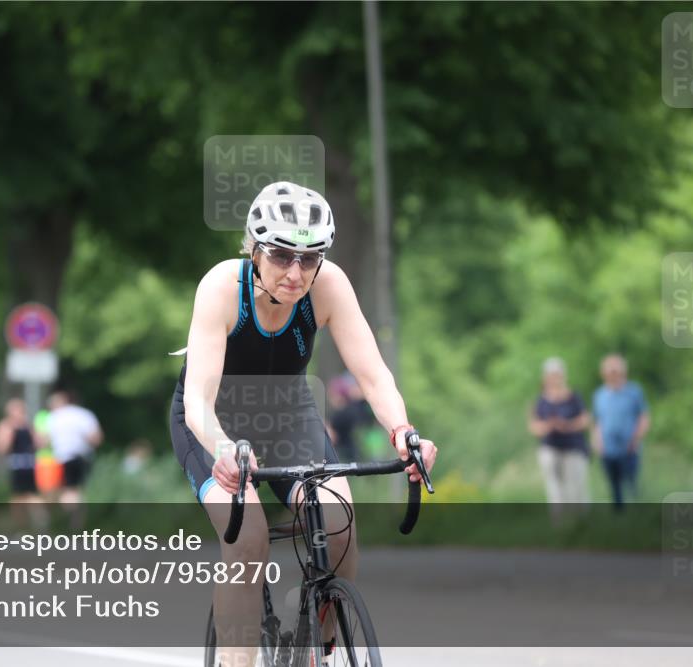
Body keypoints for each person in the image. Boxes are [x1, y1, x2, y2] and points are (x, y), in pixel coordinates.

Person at [169, 181, 437, 666]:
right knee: (248, 540)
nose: (295, 273)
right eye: (280, 255)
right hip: (213, 422)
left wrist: (402, 431)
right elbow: (198, 402)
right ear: (254, 249)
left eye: (310, 258)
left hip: (288, 415)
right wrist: (223, 448)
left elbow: (373, 375)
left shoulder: (329, 285)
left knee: (340, 528)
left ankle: (319, 650)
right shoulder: (222, 287)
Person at [528, 358, 590, 518]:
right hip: (550, 448)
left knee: (575, 487)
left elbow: (585, 420)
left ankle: (580, 520)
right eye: (551, 375)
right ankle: (560, 521)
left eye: (557, 375)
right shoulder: (540, 400)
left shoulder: (574, 397)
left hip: (573, 447)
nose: (554, 378)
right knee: (555, 489)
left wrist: (568, 425)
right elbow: (534, 426)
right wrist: (549, 426)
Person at [592, 354, 650, 509]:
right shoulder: (600, 395)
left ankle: (636, 509)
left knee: (631, 482)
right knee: (614, 485)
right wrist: (597, 441)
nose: (613, 375)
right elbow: (597, 421)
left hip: (630, 446)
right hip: (608, 448)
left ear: (623, 372)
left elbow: (643, 417)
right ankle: (619, 515)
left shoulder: (634, 392)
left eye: (616, 371)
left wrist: (637, 438)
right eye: (610, 371)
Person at [46, 390, 103, 528]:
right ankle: (77, 523)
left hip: (63, 458)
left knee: (66, 491)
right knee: (78, 490)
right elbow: (96, 438)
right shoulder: (84, 414)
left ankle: (70, 522)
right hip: (84, 457)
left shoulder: (54, 417)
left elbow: (44, 440)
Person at [0, 399, 42, 505]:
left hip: (30, 464)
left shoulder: (27, 426)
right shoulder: (5, 426)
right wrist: (11, 434)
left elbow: (38, 444)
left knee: (31, 494)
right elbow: (1, 448)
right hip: (16, 465)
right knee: (18, 496)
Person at [326, 373, 373, 463]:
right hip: (362, 456)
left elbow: (331, 437)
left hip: (345, 457)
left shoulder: (341, 414)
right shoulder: (358, 409)